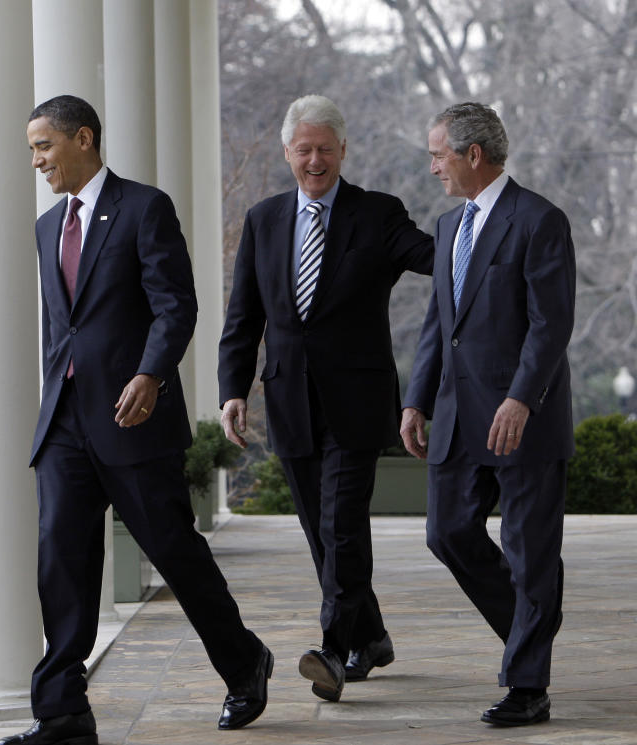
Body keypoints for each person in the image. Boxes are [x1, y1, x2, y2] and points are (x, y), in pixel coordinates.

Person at [0, 95, 272, 745]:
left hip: (132, 416)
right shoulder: (45, 228)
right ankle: (62, 708)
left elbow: (175, 304)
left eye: (43, 145)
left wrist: (149, 374)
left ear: (83, 139)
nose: (35, 159)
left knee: (174, 549)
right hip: (64, 422)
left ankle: (243, 662)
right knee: (61, 558)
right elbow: (59, 331)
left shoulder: (144, 208)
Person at [218, 94, 434, 703]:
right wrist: (233, 389)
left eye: (326, 149)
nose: (315, 160)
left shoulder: (378, 214)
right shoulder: (263, 219)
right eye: (304, 149)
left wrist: (484, 228)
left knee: (341, 528)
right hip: (289, 399)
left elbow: (436, 260)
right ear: (288, 152)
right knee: (321, 532)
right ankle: (373, 638)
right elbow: (244, 314)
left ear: (343, 151)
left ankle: (333, 652)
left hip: (357, 402)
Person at [401, 102, 575, 727]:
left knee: (530, 552)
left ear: (473, 155)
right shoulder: (450, 226)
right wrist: (416, 398)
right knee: (446, 533)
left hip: (521, 417)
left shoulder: (540, 221)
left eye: (438, 155)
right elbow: (437, 326)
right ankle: (533, 625)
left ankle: (528, 684)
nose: (432, 167)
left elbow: (551, 325)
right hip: (454, 414)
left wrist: (521, 398)